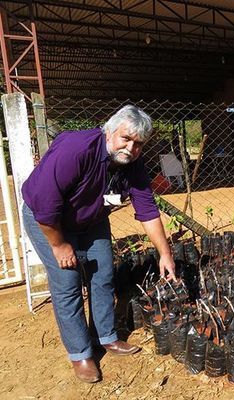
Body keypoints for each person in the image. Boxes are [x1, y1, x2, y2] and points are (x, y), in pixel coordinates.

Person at [21, 105, 176, 384]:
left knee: (103, 275)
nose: (131, 148)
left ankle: (105, 337)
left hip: (91, 219)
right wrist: (59, 245)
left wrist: (165, 254)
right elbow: (45, 205)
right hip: (49, 221)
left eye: (139, 144)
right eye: (126, 138)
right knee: (68, 283)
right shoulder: (76, 149)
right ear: (109, 131)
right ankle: (81, 353)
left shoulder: (132, 163)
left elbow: (147, 209)